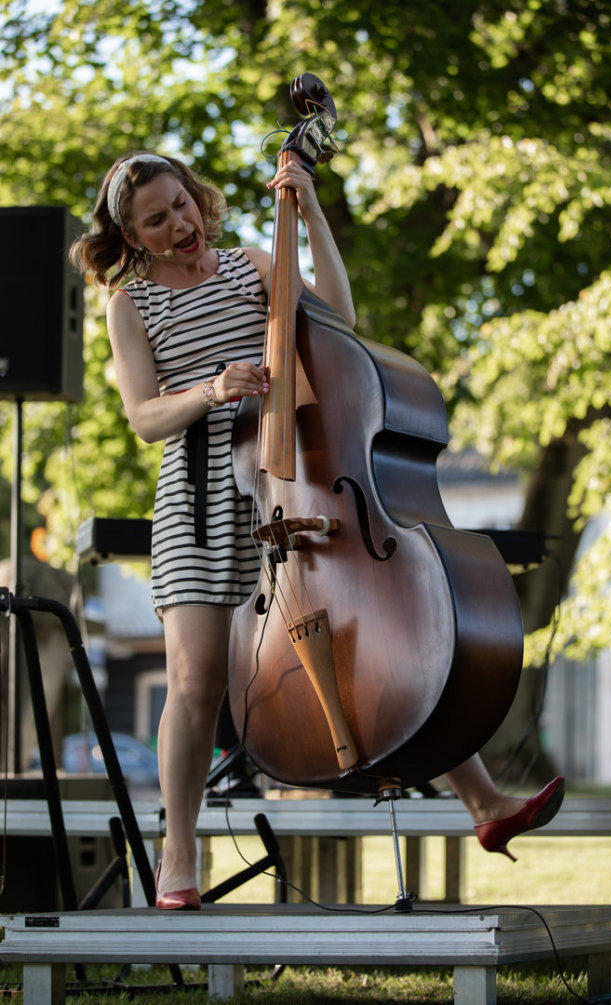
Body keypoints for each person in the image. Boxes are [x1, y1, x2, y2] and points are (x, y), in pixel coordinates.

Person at [71, 152, 563, 909]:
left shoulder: (253, 264)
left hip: (290, 483)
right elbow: (143, 418)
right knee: (197, 681)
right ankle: (177, 858)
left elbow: (339, 312)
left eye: (183, 205)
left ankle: (485, 804)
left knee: (381, 640)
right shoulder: (130, 305)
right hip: (201, 496)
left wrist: (312, 210)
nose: (181, 225)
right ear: (132, 237)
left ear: (198, 198)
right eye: (158, 220)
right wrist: (211, 388)